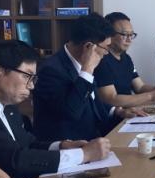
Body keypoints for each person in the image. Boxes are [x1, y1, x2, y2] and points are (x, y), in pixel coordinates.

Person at [0, 40, 111, 178]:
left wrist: (62, 146)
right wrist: (84, 154)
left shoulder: (8, 105)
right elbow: (16, 159)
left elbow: (28, 144)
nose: (31, 86)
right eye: (26, 76)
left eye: (33, 78)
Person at [33, 13, 136, 142]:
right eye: (106, 48)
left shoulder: (84, 63)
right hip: (72, 144)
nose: (106, 53)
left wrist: (117, 111)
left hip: (96, 137)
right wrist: (87, 71)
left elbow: (92, 101)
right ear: (88, 47)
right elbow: (71, 112)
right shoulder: (50, 70)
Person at [95, 12, 155, 108]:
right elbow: (111, 99)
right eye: (125, 35)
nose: (129, 40)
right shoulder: (101, 59)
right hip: (117, 115)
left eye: (131, 35)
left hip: (132, 110)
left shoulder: (126, 58)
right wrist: (151, 96)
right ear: (110, 35)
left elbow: (140, 87)